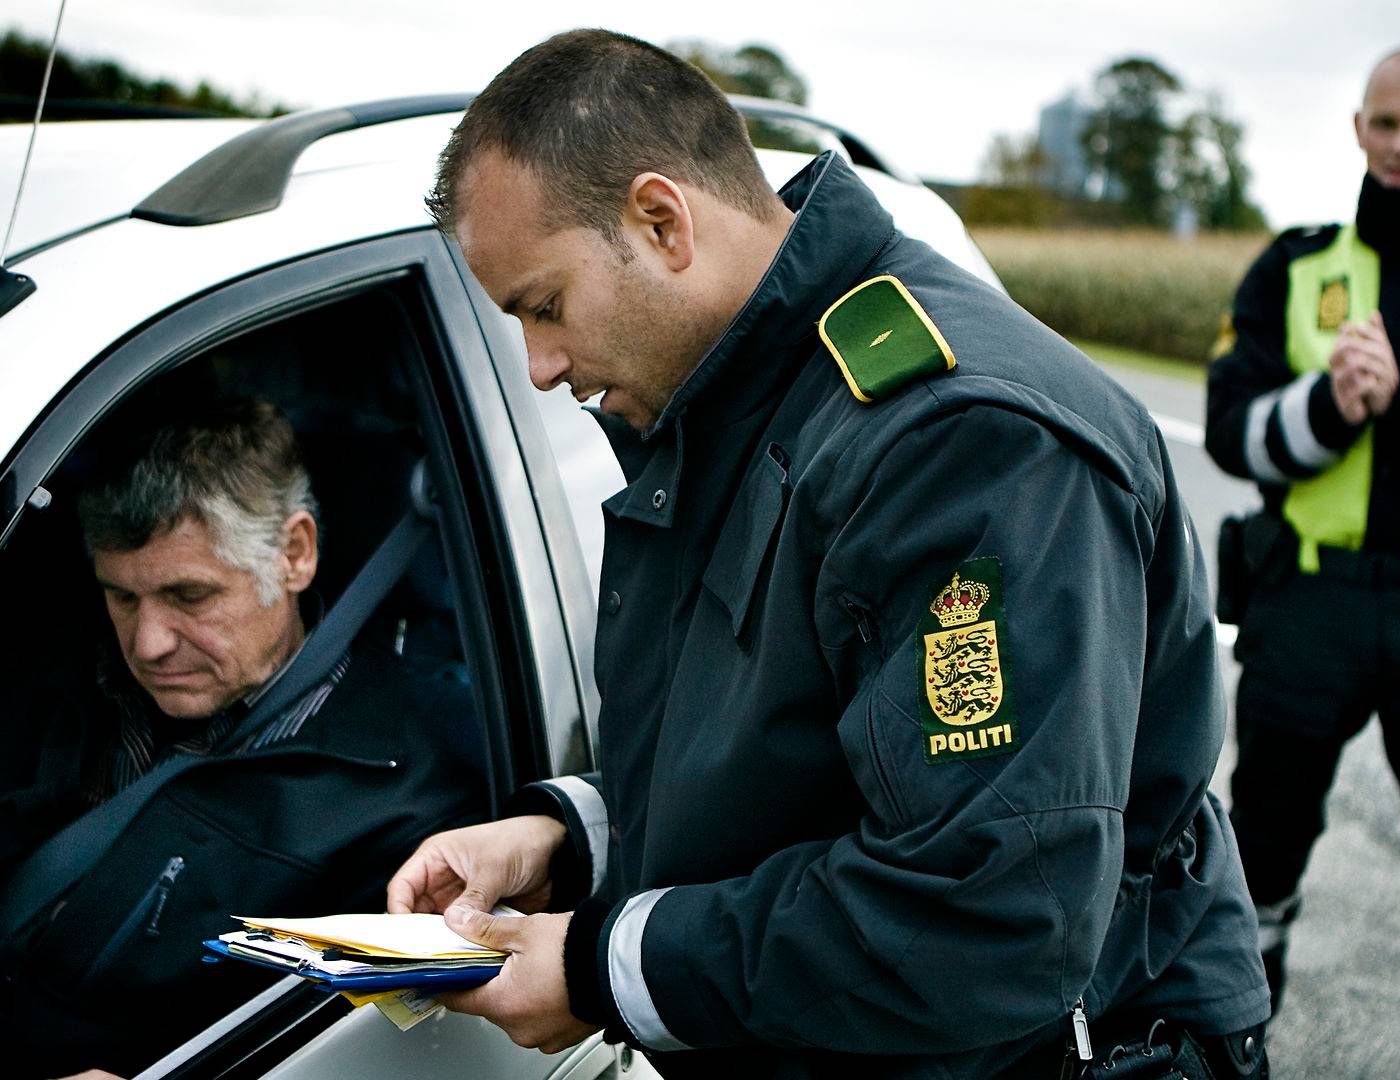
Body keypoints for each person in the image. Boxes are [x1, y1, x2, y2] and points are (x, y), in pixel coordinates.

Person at [390, 29, 1270, 1078]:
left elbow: (990, 910)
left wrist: (598, 969)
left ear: (662, 220)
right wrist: (570, 839)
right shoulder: (737, 397)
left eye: (543, 306)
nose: (538, 366)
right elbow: (794, 749)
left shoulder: (963, 445)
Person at [0, 397, 487, 1079]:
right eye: (122, 597)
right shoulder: (50, 671)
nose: (149, 643)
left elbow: (380, 1053)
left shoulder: (406, 805)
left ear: (294, 554)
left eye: (190, 596)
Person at [1205, 44, 1400, 1030]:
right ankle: (1238, 1040)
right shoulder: (1295, 264)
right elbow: (1228, 429)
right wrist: (1332, 409)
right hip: (1307, 604)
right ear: (1356, 129)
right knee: (1258, 859)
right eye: (1385, 122)